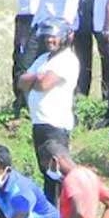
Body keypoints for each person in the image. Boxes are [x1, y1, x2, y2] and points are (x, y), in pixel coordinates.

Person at [16, 19, 79, 203]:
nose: (50, 40)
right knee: (47, 174)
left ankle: (68, 212)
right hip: (40, 124)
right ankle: (53, 217)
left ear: (66, 37)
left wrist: (35, 80)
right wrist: (37, 76)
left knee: (58, 173)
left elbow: (44, 84)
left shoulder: (67, 59)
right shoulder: (43, 60)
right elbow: (21, 82)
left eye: (55, 37)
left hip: (55, 125)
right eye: (48, 37)